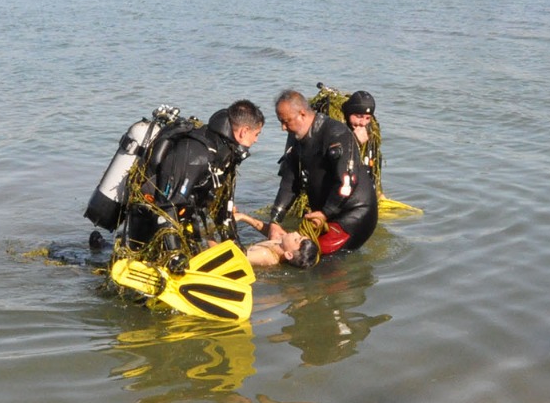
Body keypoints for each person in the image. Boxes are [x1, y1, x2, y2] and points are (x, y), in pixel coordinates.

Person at [122, 99, 264, 257]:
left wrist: (235, 244)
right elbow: (166, 205)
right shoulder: (197, 153)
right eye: (256, 134)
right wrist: (175, 255)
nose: (256, 140)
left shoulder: (225, 154)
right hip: (149, 220)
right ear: (244, 131)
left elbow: (224, 208)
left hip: (183, 220)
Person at [269, 88, 377, 256]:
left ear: (302, 114)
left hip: (354, 214)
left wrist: (325, 213)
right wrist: (275, 219)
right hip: (328, 213)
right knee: (292, 253)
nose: (283, 128)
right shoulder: (296, 138)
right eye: (280, 122)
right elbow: (290, 181)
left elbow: (347, 181)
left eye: (286, 121)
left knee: (311, 260)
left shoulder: (336, 134)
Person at [233, 210, 320, 269]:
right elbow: (269, 230)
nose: (295, 233)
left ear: (289, 255)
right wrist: (242, 216)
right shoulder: (282, 242)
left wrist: (229, 230)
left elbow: (235, 258)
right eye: (300, 235)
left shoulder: (265, 256)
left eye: (296, 239)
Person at [339, 90, 382, 198]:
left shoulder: (371, 131)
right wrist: (353, 140)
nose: (363, 123)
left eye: (367, 118)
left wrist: (379, 193)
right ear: (349, 113)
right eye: (359, 116)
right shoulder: (335, 128)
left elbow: (375, 169)